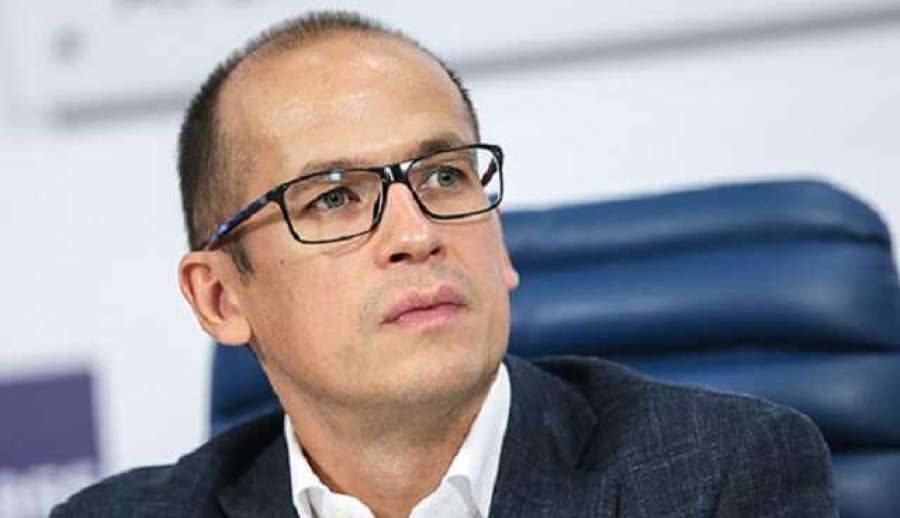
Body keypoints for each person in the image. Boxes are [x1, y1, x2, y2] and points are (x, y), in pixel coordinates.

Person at [52, 10, 835, 518]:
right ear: (221, 297)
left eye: (445, 177)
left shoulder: (719, 478)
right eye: (334, 198)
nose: (417, 232)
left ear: (500, 244)